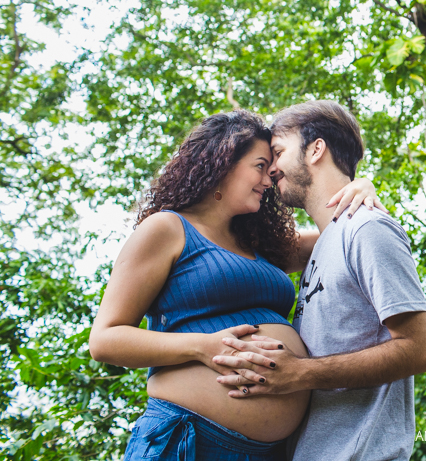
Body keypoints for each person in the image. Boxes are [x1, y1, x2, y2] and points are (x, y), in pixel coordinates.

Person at [88, 110, 381, 460]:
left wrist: (358, 185)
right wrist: (202, 348)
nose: (269, 179)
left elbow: (343, 234)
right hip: (187, 440)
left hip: (270, 452)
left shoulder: (263, 244)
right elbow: (105, 340)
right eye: (260, 166)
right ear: (222, 162)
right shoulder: (167, 229)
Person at [211, 100, 426, 461]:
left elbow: (420, 350)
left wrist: (298, 373)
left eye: (279, 153)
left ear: (316, 149)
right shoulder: (325, 241)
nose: (270, 172)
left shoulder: (366, 228)